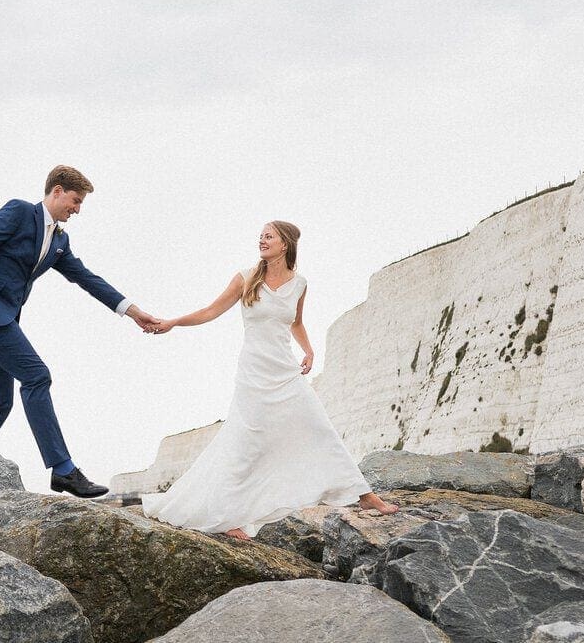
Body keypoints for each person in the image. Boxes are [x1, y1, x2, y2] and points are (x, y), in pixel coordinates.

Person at [141, 221, 398, 540]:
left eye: (268, 236)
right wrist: (174, 322)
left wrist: (308, 349)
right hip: (253, 371)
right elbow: (211, 311)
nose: (261, 240)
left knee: (318, 426)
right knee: (246, 443)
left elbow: (297, 322)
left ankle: (363, 495)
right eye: (260, 236)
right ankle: (227, 516)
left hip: (284, 370)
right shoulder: (246, 277)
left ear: (285, 244)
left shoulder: (299, 283)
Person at [0, 165, 157, 513]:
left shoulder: (58, 241)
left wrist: (132, 311)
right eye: (75, 200)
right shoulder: (19, 212)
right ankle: (63, 469)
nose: (78, 209)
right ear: (56, 191)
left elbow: (85, 277)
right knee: (36, 375)